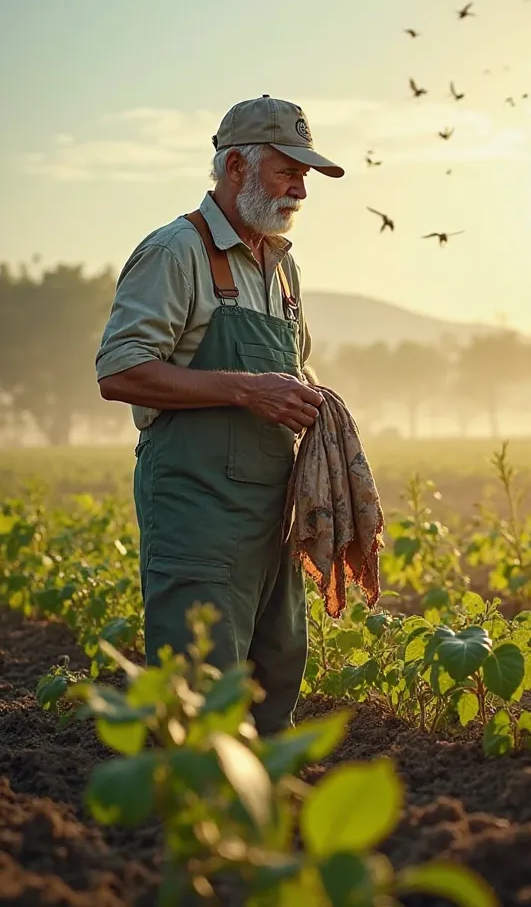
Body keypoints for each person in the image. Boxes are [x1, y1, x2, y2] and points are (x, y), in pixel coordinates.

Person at [96, 95, 345, 734]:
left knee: (276, 674)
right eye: (287, 171)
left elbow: (292, 368)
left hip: (273, 516)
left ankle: (264, 826)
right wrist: (244, 390)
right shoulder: (176, 250)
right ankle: (192, 825)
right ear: (235, 167)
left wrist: (318, 408)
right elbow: (120, 371)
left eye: (305, 175)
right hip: (198, 513)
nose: (301, 190)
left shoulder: (283, 265)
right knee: (201, 689)